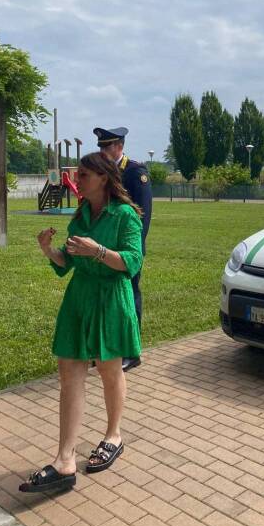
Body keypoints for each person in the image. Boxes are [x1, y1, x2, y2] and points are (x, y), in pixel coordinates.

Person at [19, 153, 143, 493]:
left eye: (84, 175)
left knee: (108, 370)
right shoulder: (82, 215)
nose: (77, 181)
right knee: (69, 374)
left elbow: (132, 261)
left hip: (110, 300)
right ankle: (64, 460)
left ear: (103, 178)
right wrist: (49, 250)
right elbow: (66, 261)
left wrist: (99, 251)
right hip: (78, 301)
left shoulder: (125, 216)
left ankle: (114, 436)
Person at [93, 126, 152, 372]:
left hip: (127, 250)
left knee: (129, 298)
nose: (104, 151)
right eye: (102, 147)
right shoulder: (104, 171)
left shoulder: (135, 172)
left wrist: (132, 250)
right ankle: (106, 348)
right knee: (107, 298)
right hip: (106, 247)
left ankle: (131, 352)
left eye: (108, 146)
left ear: (119, 146)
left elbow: (143, 216)